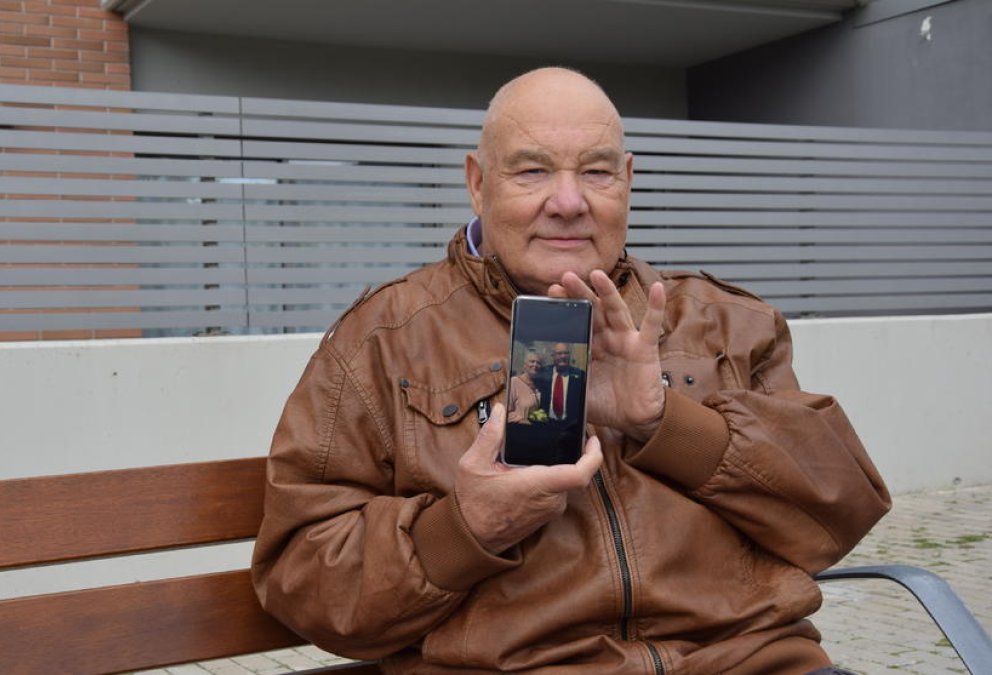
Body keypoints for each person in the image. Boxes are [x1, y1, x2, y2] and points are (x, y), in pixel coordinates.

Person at [252, 67, 890, 674]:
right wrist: (464, 528)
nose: (568, 201)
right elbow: (303, 578)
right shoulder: (383, 341)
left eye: (596, 171)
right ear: (477, 182)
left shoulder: (722, 320)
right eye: (532, 170)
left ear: (628, 180)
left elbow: (836, 516)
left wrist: (664, 422)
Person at [537, 342, 585, 422]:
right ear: (553, 356)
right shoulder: (543, 373)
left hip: (570, 424)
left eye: (566, 353)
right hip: (546, 423)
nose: (563, 356)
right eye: (559, 353)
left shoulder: (580, 375)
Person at [507, 348, 544, 423]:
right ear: (525, 364)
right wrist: (522, 421)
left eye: (538, 363)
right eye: (532, 361)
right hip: (518, 428)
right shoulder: (514, 382)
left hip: (535, 428)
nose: (535, 365)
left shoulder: (539, 385)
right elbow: (505, 412)